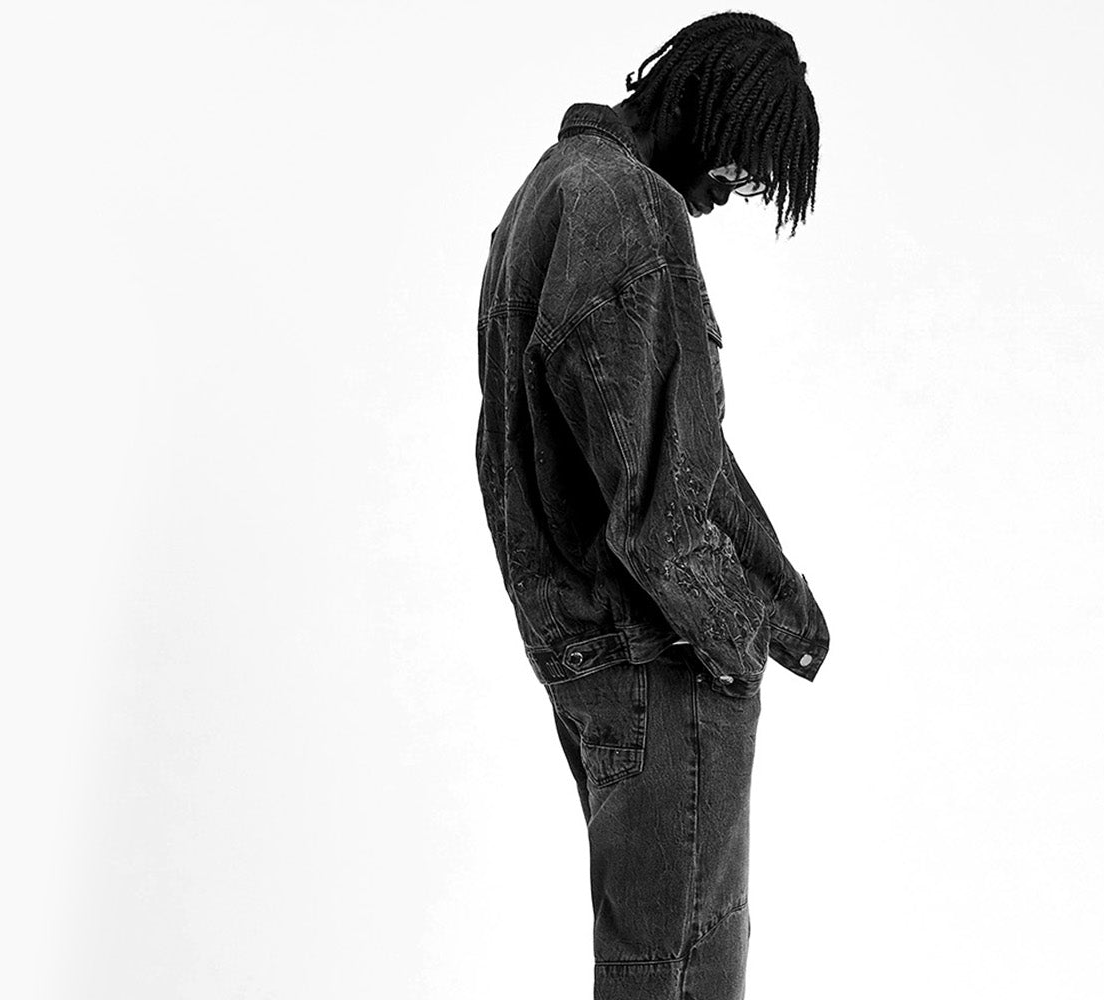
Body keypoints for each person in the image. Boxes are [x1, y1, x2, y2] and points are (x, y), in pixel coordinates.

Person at [472, 12, 830, 1000]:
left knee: (656, 957)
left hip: (591, 649)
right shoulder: (631, 208)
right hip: (657, 657)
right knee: (675, 970)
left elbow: (671, 447)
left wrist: (784, 598)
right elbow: (659, 502)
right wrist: (737, 637)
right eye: (738, 161)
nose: (730, 190)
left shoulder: (547, 192)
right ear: (696, 103)